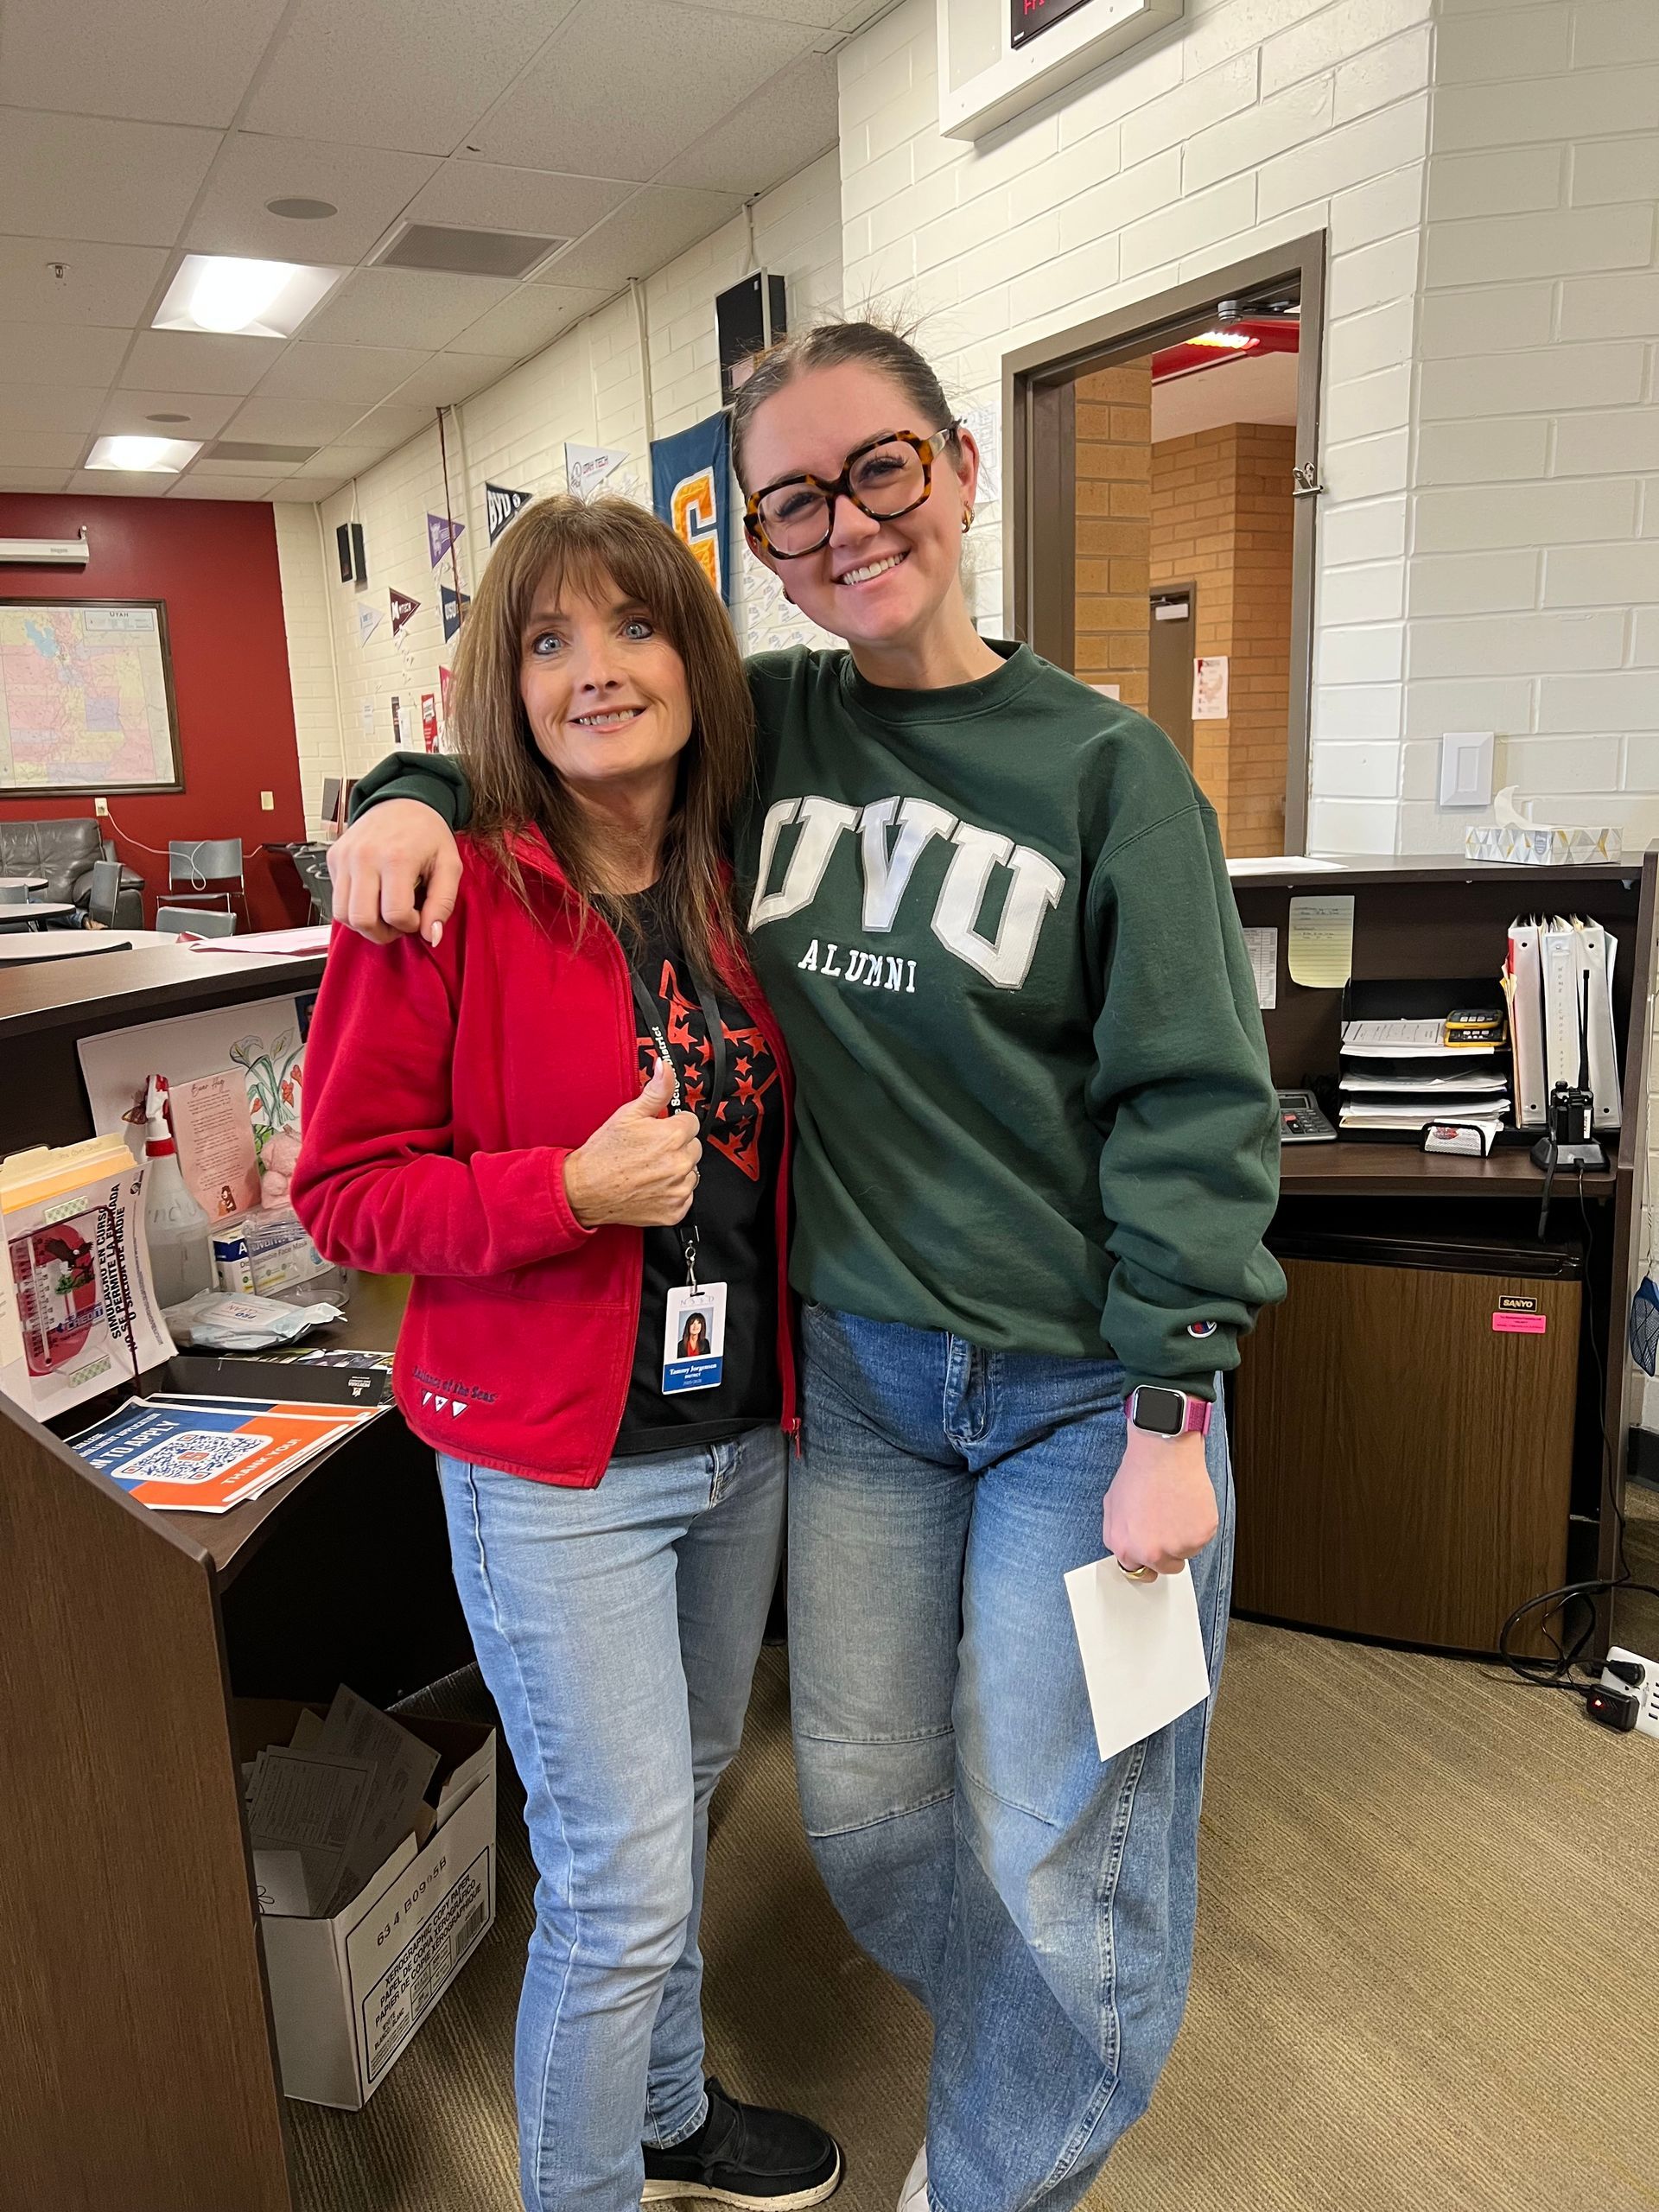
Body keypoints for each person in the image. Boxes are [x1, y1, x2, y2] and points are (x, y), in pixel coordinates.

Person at [324, 317, 1285, 2212]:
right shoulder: (773, 733)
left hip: (1075, 1394)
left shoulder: (1105, 769)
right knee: (865, 1808)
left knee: (1063, 1836)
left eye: (881, 471)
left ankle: (992, 2164)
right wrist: (406, 790)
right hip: (849, 1384)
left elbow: (1196, 1106)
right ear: (760, 547)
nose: (847, 525)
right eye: (793, 503)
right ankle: (999, 2041)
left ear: (961, 469)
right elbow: (553, 704)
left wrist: (1178, 1403)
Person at [291, 495, 842, 2212]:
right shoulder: (443, 893)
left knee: (681, 1808)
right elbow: (342, 1194)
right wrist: (566, 1190)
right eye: (548, 640)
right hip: (554, 1468)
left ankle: (668, 2114)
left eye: (634, 626)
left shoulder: (741, 874)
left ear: (698, 658)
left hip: (735, 1437)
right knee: (619, 1883)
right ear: (506, 688)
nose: (596, 669)